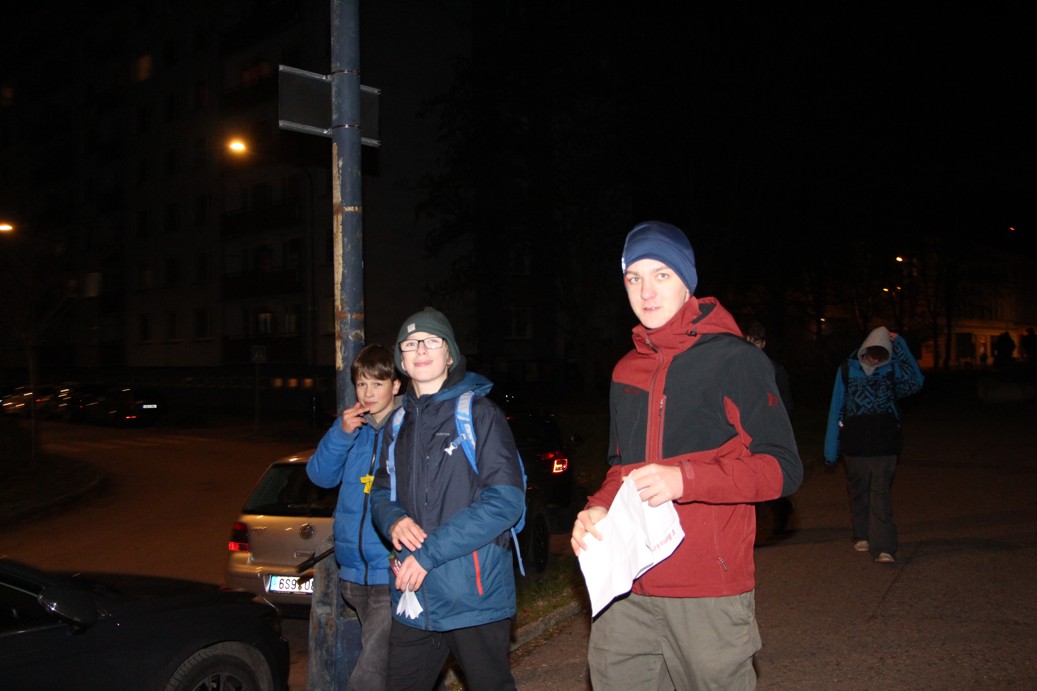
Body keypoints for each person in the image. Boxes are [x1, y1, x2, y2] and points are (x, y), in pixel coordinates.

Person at [570, 221, 803, 690]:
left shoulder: (736, 360)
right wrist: (598, 507)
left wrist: (686, 480)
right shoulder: (625, 370)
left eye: (661, 274)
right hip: (626, 589)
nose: (646, 291)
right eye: (634, 278)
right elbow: (621, 469)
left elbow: (783, 468)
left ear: (687, 281)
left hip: (706, 592)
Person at [370, 307, 525, 691]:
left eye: (432, 341)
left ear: (450, 354)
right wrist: (392, 518)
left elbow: (505, 501)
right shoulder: (397, 423)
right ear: (401, 360)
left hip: (472, 595)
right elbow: (380, 489)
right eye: (410, 343)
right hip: (414, 596)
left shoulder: (480, 414)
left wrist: (428, 554)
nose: (421, 349)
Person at [306, 344, 401, 690]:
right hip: (352, 571)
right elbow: (320, 476)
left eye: (378, 383)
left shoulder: (406, 428)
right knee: (381, 659)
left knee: (371, 667)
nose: (369, 392)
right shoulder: (351, 431)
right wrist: (340, 434)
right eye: (362, 384)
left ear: (396, 385)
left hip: (389, 569)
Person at [823, 326, 924, 565]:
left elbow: (916, 381)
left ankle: (884, 547)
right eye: (873, 353)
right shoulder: (847, 370)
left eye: (881, 354)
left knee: (880, 493)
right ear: (864, 350)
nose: (876, 359)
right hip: (855, 443)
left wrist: (901, 346)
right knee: (859, 490)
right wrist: (831, 449)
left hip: (884, 443)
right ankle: (862, 533)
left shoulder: (891, 371)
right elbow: (836, 407)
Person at [743, 319, 794, 414]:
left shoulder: (776, 370)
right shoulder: (736, 368)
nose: (751, 347)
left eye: (756, 342)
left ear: (763, 344)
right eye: (748, 342)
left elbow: (786, 405)